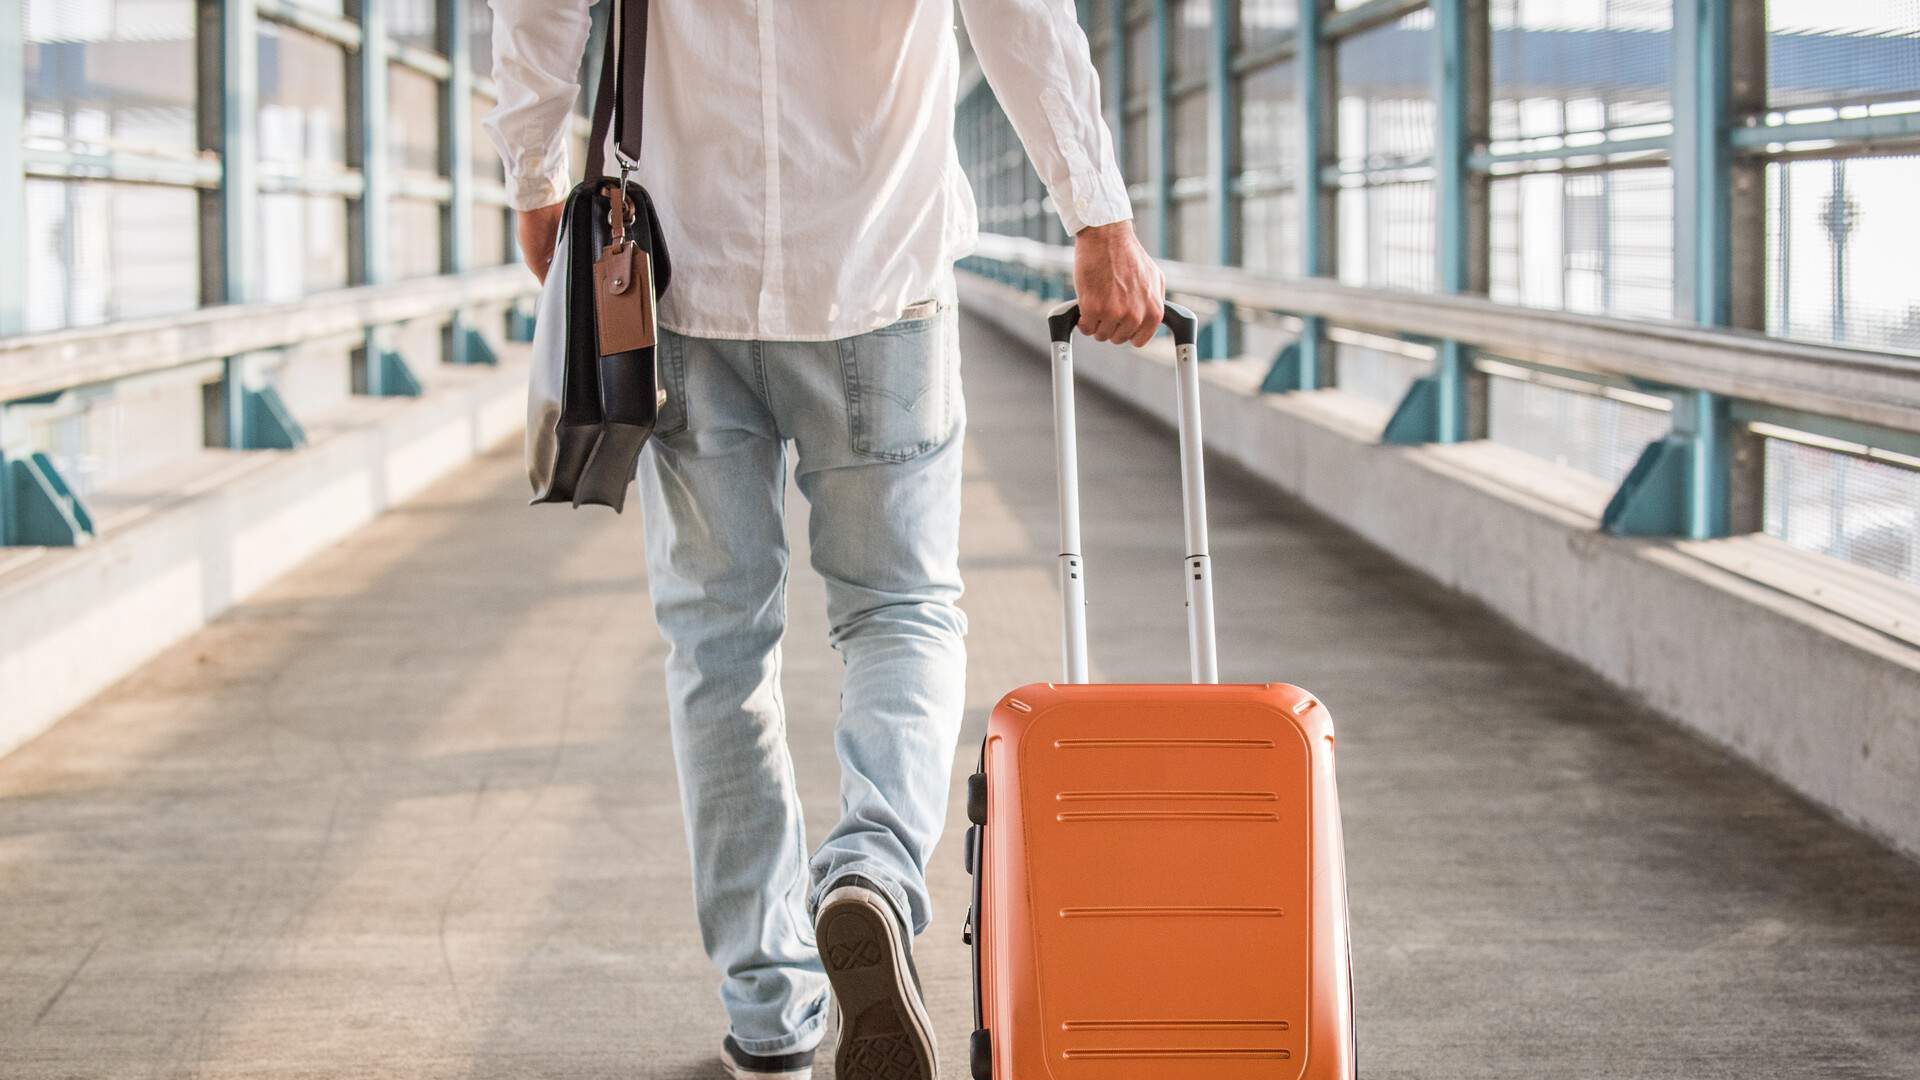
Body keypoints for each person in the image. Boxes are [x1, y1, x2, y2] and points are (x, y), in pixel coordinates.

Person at [484, 3, 1163, 1078]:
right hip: (877, 271)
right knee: (900, 611)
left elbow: (539, 10)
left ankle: (770, 1012)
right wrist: (1098, 216)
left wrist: (529, 173)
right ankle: (874, 874)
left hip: (684, 281)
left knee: (716, 646)